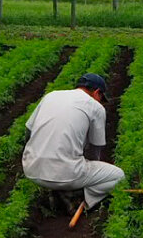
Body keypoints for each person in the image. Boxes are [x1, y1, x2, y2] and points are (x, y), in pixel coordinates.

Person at [23, 74, 125, 216]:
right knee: (118, 176)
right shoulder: (95, 107)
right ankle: (77, 196)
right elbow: (96, 149)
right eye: (102, 98)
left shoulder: (51, 96)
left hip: (31, 170)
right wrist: (88, 173)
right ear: (97, 93)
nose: (101, 103)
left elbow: (28, 131)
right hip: (66, 175)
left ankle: (59, 189)